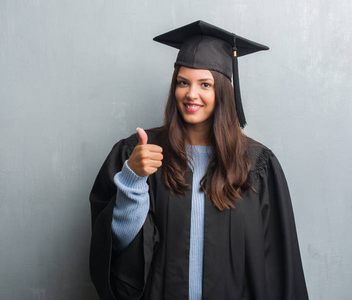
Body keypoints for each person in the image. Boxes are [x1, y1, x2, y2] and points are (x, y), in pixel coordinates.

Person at [89, 20, 308, 300]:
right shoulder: (140, 153)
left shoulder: (257, 164)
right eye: (183, 82)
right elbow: (118, 247)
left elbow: (279, 264)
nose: (191, 94)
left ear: (223, 91)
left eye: (205, 84)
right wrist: (133, 179)